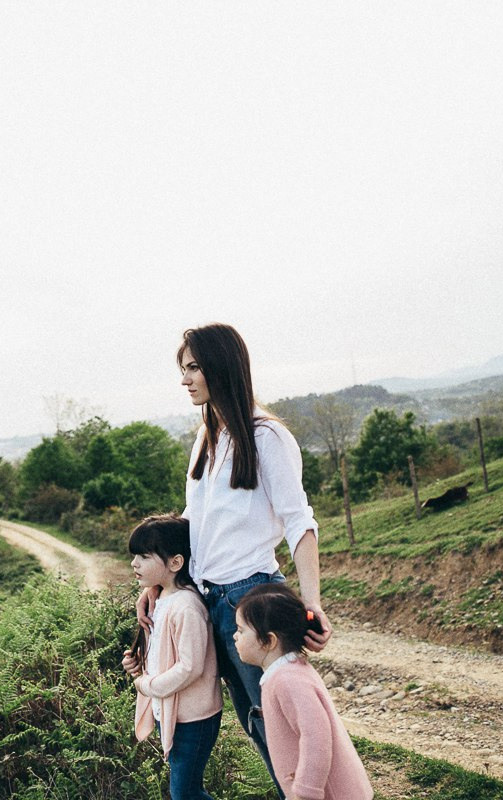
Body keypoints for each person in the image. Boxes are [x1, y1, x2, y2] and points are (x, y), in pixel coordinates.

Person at [138, 322, 332, 796]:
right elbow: (193, 521)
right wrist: (157, 583)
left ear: (221, 366)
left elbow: (299, 521)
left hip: (253, 596)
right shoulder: (206, 438)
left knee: (280, 729)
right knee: (255, 724)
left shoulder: (267, 437)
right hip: (211, 602)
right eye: (182, 369)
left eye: (194, 367)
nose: (185, 379)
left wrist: (311, 603)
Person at [234, 583, 373, 800]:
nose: (235, 636)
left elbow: (316, 736)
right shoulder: (285, 673)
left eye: (241, 630)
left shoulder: (287, 680)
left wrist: (305, 793)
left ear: (269, 641)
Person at [122, 514, 222, 800]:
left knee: (185, 793)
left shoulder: (186, 606)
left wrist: (147, 685)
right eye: (134, 556)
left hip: (194, 719)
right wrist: (138, 663)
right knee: (185, 791)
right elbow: (164, 652)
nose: (134, 564)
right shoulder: (162, 598)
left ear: (175, 563)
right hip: (177, 715)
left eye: (143, 556)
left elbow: (190, 667)